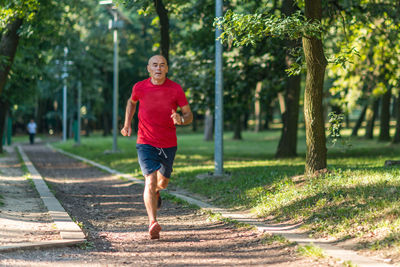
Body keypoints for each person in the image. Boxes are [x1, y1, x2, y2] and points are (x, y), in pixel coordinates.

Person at [120, 55, 193, 239]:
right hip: (145, 141)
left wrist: (181, 120)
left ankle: (157, 192)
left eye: (162, 65)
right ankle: (152, 222)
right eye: (155, 65)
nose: (158, 68)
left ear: (167, 68)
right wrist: (127, 124)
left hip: (168, 143)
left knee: (162, 183)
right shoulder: (140, 87)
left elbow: (188, 114)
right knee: (150, 180)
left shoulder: (175, 89)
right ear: (148, 68)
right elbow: (131, 101)